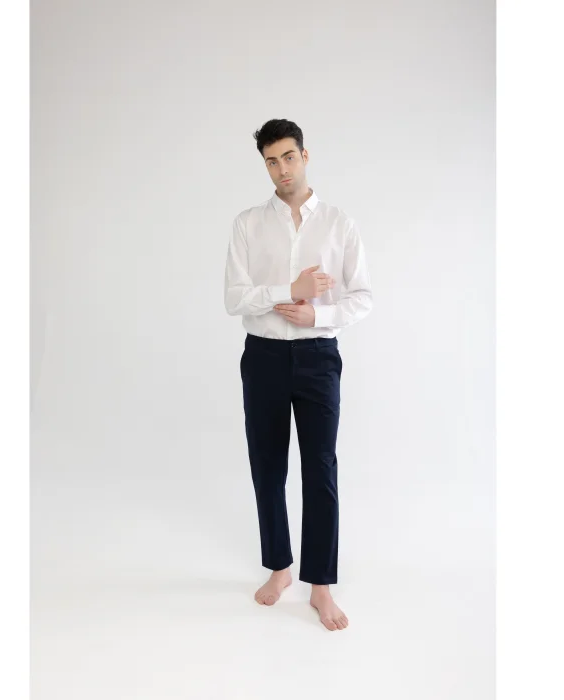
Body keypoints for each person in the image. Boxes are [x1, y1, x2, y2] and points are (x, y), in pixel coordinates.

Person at [224, 118, 373, 631]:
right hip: (263, 356)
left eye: (289, 157)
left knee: (320, 470)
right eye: (271, 161)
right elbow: (234, 298)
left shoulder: (338, 223)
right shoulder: (247, 224)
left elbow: (363, 296)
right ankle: (280, 568)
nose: (281, 169)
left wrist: (318, 315)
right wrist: (290, 290)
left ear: (304, 156)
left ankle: (321, 586)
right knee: (267, 468)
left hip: (317, 357)